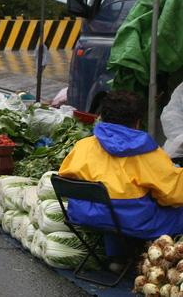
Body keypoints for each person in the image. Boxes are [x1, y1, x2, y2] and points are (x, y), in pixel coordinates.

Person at [59, 91, 183, 257]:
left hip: (84, 215)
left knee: (111, 205)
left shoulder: (84, 146)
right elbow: (174, 195)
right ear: (137, 122)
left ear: (102, 117)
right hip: (133, 222)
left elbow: (65, 176)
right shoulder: (148, 153)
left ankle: (115, 258)